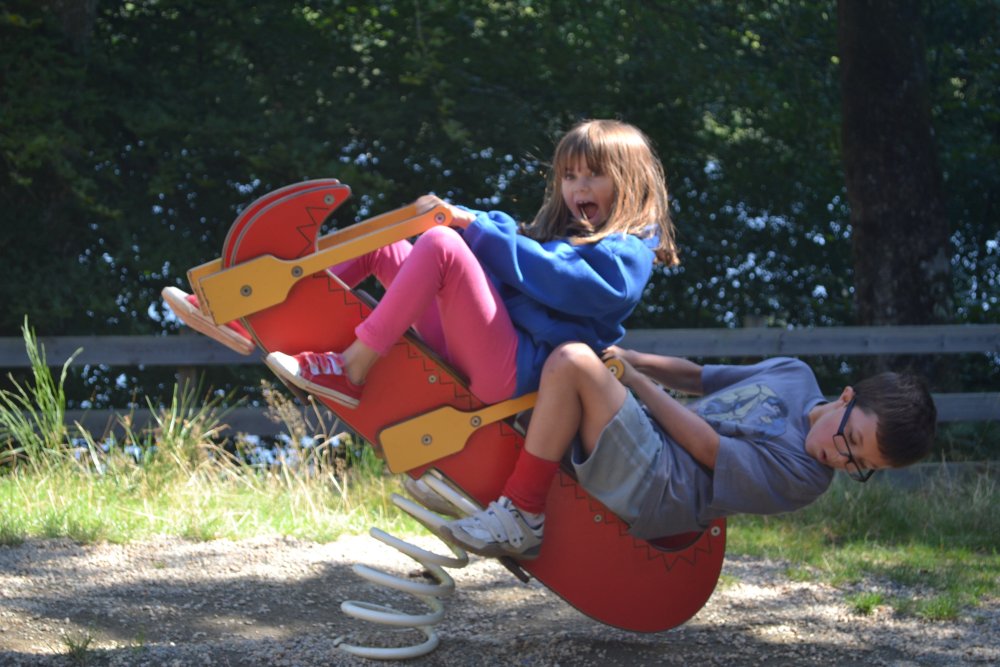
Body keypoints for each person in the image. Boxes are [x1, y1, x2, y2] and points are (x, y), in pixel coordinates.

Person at [262, 119, 678, 408]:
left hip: (514, 373)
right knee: (385, 245)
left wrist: (468, 224)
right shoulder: (559, 237)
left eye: (594, 174)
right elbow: (523, 251)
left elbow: (560, 276)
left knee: (441, 244)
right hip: (480, 348)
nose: (578, 187)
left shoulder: (626, 255)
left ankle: (351, 369)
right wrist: (455, 215)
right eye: (569, 176)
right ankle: (273, 314)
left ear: (629, 182)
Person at [440, 342, 937, 560]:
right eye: (852, 441)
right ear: (846, 398)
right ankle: (461, 477)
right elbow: (699, 377)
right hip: (649, 442)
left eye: (860, 466)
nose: (841, 459)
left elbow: (706, 447)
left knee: (572, 361)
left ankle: (522, 515)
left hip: (661, 484)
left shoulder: (805, 478)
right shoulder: (795, 374)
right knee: (549, 361)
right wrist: (632, 357)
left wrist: (635, 381)